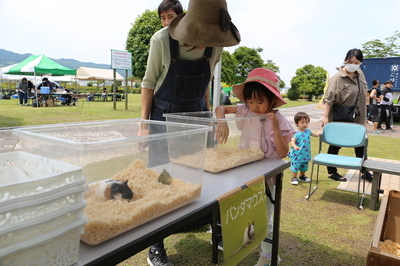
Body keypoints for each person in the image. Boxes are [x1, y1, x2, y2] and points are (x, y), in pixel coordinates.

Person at [141, 0, 240, 265]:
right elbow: (149, 84)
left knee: (203, 174)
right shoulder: (161, 40)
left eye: (210, 37)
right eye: (200, 36)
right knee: (162, 176)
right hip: (163, 114)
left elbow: (206, 81)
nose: (204, 42)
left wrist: (210, 115)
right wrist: (143, 125)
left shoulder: (216, 42)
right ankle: (155, 246)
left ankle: (212, 229)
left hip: (197, 114)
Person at [215, 68, 295, 266]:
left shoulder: (279, 119)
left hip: (266, 178)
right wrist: (222, 122)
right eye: (250, 101)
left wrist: (275, 127)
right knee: (243, 210)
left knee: (266, 217)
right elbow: (220, 108)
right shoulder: (246, 111)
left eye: (260, 102)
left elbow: (284, 152)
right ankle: (243, 242)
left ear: (272, 100)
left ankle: (268, 256)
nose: (254, 106)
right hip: (244, 172)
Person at [321, 48, 373, 182]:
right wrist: (325, 116)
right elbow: (329, 99)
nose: (353, 65)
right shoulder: (337, 78)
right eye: (351, 62)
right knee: (335, 143)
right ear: (345, 60)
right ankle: (332, 172)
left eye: (357, 62)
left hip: (358, 115)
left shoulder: (360, 73)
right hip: (341, 114)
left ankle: (364, 171)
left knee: (361, 143)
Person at [288, 112, 322, 185]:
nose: (305, 124)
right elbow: (292, 140)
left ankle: (302, 176)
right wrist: (295, 147)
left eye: (306, 122)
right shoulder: (296, 133)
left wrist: (321, 128)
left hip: (305, 154)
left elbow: (316, 135)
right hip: (297, 154)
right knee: (295, 165)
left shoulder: (308, 131)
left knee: (304, 165)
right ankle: (294, 177)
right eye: (302, 122)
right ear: (296, 123)